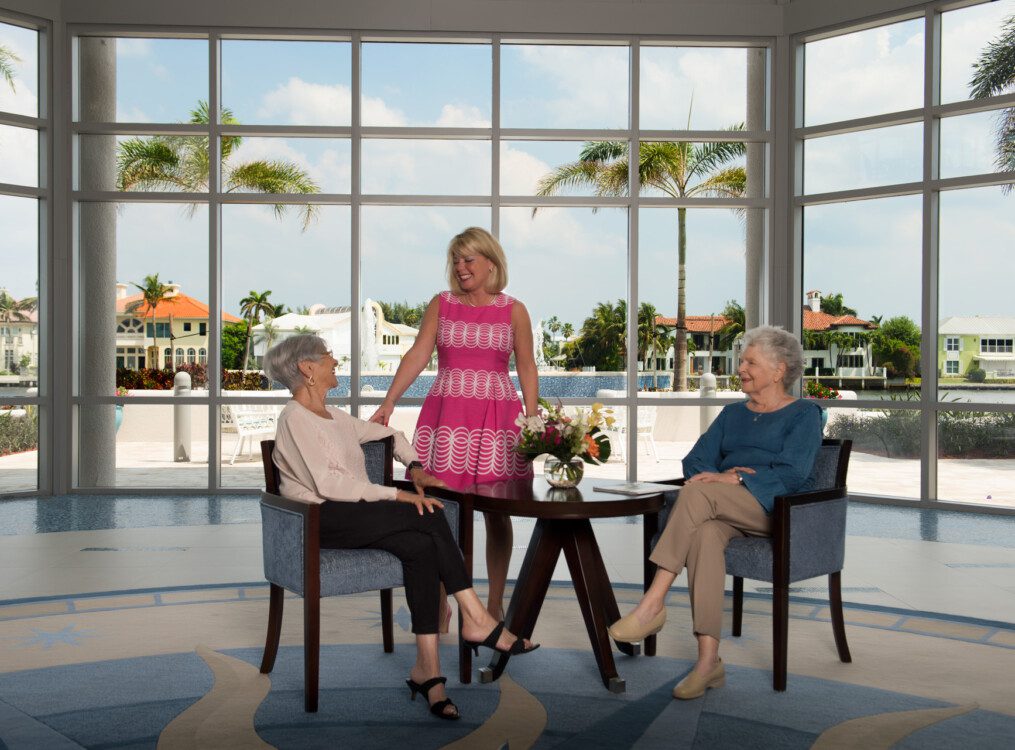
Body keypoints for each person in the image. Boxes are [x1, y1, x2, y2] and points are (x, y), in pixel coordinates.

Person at [264, 335, 537, 720]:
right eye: (327, 356)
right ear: (307, 369)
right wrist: (398, 496)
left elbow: (391, 434)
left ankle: (428, 671)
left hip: (357, 516)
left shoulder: (335, 417)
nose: (334, 360)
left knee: (421, 545)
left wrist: (415, 468)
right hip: (318, 520)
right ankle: (476, 617)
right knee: (424, 511)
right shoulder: (293, 418)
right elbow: (329, 485)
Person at [608, 326, 822, 700]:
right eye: (742, 360)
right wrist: (719, 478)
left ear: (779, 369)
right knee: (705, 535)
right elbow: (697, 460)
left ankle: (652, 603)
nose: (740, 368)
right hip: (723, 509)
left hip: (773, 509)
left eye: (750, 361)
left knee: (697, 495)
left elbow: (793, 473)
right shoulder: (732, 413)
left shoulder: (804, 414)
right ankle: (709, 662)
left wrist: (734, 477)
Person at [369, 227, 537, 621]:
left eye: (469, 260)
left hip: (498, 420)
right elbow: (418, 354)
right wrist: (388, 402)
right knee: (440, 511)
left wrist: (532, 417)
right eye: (456, 260)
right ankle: (442, 601)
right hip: (448, 419)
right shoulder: (441, 304)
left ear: (491, 263)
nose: (460, 267)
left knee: (498, 514)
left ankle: (494, 605)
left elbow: (527, 365)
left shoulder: (515, 310)